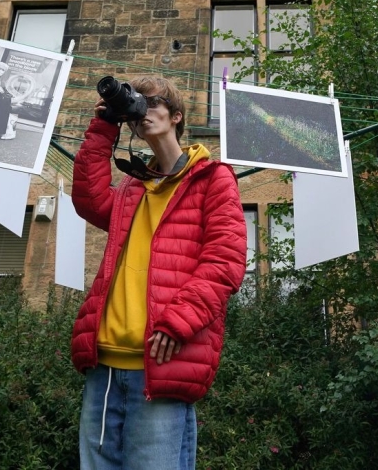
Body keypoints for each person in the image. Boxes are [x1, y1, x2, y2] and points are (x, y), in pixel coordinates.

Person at [71, 76, 247, 470]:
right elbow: (88, 199)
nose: (143, 110)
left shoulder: (213, 179)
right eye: (137, 104)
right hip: (104, 365)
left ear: (176, 116)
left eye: (152, 103)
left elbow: (226, 260)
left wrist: (178, 322)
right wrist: (104, 128)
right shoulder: (134, 188)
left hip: (161, 362)